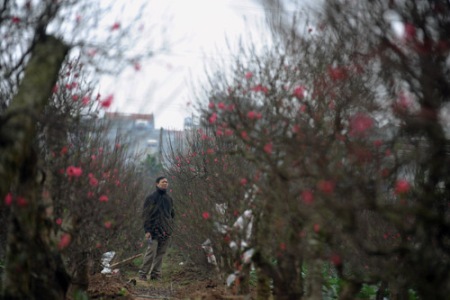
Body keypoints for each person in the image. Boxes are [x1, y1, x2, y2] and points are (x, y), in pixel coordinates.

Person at [138, 176, 175, 280]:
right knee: (151, 252)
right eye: (163, 182)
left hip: (166, 230)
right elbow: (145, 215)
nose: (165, 184)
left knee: (161, 253)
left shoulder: (169, 199)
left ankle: (155, 274)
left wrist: (171, 227)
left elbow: (172, 214)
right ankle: (143, 273)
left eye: (167, 182)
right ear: (157, 184)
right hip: (153, 230)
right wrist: (147, 230)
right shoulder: (150, 198)